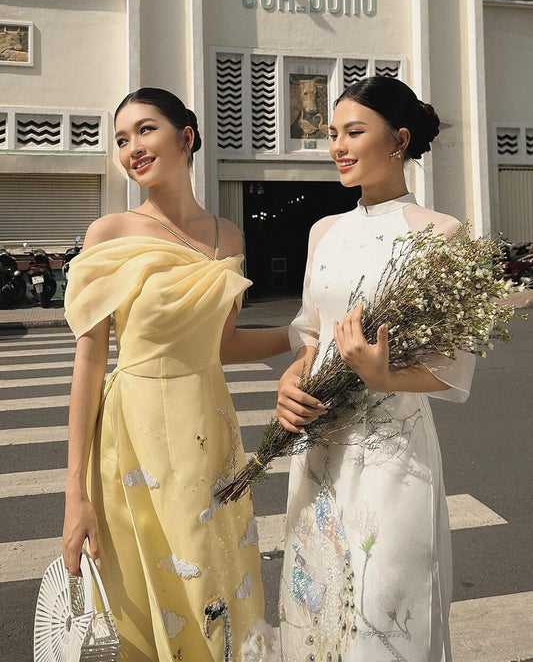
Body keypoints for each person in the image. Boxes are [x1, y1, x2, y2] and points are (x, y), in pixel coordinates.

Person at [62, 88, 287, 662]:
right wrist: (74, 496)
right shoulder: (110, 232)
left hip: (209, 435)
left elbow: (223, 345)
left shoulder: (227, 236)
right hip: (133, 439)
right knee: (152, 594)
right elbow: (89, 362)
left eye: (145, 130)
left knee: (216, 581)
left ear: (185, 137)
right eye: (121, 139)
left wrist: (301, 336)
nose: (131, 148)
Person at [276, 76, 476, 662]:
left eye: (354, 132)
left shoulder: (440, 234)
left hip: (392, 455)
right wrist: (291, 378)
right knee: (318, 609)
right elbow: (311, 333)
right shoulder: (324, 231)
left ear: (399, 140)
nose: (338, 146)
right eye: (333, 134)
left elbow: (451, 369)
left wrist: (383, 376)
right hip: (319, 446)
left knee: (386, 611)